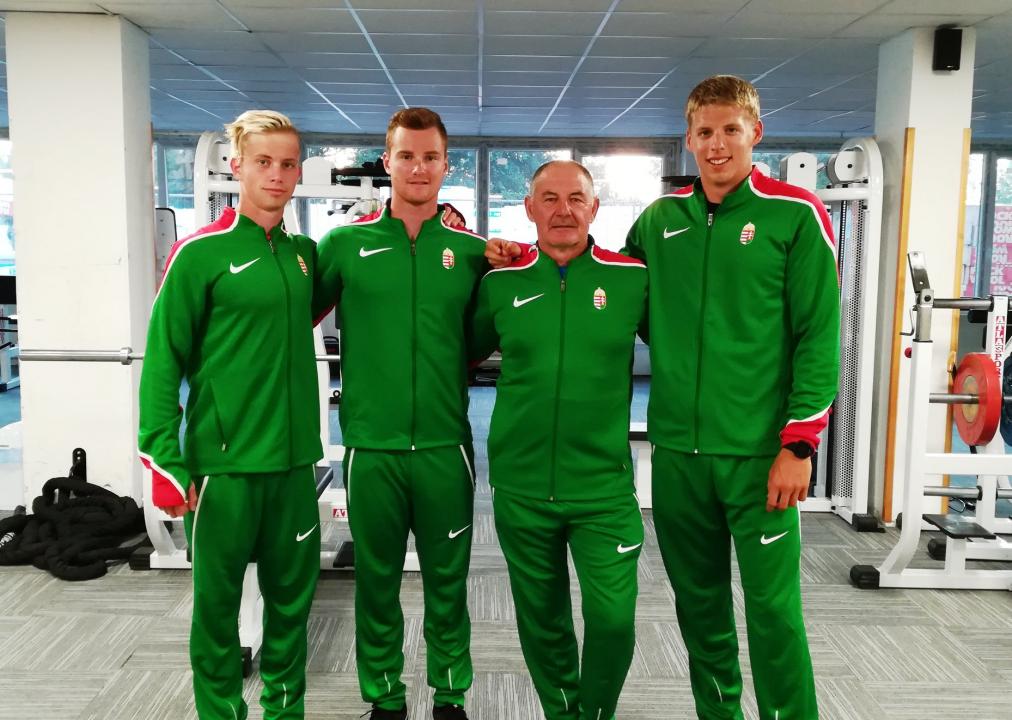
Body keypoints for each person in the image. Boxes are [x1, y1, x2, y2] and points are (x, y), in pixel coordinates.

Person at [624, 75, 839, 719]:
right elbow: (612, 290)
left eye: (730, 130)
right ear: (689, 139)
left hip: (760, 455)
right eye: (705, 132)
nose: (717, 144)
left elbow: (819, 335)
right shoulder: (660, 220)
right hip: (678, 454)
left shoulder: (795, 215)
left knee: (773, 610)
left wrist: (800, 444)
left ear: (756, 133)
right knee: (700, 607)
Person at [139, 110, 322, 720]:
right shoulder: (200, 254)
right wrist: (162, 459)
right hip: (223, 470)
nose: (276, 175)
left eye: (288, 164)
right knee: (217, 613)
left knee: (291, 610)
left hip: (294, 467)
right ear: (237, 165)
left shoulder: (303, 255)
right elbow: (162, 361)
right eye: (263, 162)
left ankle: (285, 712)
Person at [314, 107, 487, 720]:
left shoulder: (473, 253)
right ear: (387, 162)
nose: (418, 167)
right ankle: (385, 698)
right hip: (372, 447)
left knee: (448, 584)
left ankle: (450, 697)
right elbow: (284, 317)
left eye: (430, 157)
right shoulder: (343, 245)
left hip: (444, 447)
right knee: (376, 583)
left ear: (446, 165)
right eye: (406, 156)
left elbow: (489, 333)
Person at [471, 160, 647, 720]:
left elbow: (691, 348)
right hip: (521, 486)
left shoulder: (633, 279)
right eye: (549, 198)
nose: (563, 210)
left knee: (613, 619)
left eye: (576, 198)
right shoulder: (501, 282)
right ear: (529, 209)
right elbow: (455, 354)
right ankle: (561, 712)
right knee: (542, 621)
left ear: (594, 208)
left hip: (603, 488)